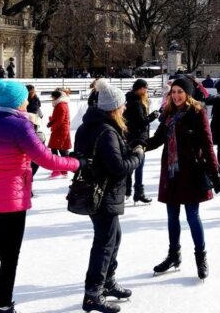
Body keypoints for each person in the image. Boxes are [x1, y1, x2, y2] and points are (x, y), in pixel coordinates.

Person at [0, 80, 80, 313]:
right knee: (10, 254)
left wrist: (1, 154)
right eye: (24, 98)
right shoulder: (21, 126)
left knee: (0, 243)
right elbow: (46, 159)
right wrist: (76, 163)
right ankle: (4, 305)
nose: (27, 102)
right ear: (18, 102)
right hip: (11, 201)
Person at [73, 80, 145, 313]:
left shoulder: (87, 127)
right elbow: (117, 167)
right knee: (104, 243)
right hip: (103, 194)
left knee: (113, 237)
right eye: (122, 105)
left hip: (94, 193)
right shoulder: (107, 131)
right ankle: (93, 293)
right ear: (114, 108)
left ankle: (107, 282)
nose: (125, 108)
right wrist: (137, 156)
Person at [146, 77, 220, 281]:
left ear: (187, 93)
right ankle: (174, 255)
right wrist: (139, 144)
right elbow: (157, 139)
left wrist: (214, 172)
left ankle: (201, 257)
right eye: (174, 92)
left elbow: (207, 143)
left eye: (180, 92)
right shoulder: (168, 112)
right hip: (171, 174)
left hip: (191, 172)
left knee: (192, 216)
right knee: (172, 217)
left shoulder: (197, 113)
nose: (176, 95)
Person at [124, 79, 159, 204]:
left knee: (131, 165)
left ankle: (127, 190)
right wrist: (153, 116)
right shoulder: (137, 103)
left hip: (131, 138)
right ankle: (138, 192)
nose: (146, 91)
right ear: (139, 89)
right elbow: (141, 122)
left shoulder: (131, 100)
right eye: (145, 88)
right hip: (138, 139)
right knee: (139, 165)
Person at [47, 89, 72, 178]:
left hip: (61, 130)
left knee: (61, 149)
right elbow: (57, 117)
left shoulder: (61, 105)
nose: (52, 98)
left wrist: (53, 127)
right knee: (56, 149)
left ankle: (62, 169)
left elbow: (61, 120)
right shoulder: (60, 104)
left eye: (53, 97)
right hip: (59, 130)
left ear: (57, 97)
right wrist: (51, 122)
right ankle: (59, 169)